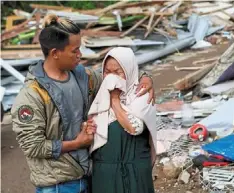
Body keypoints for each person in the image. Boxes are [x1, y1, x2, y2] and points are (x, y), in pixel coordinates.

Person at [11, 14, 155, 193]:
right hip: (58, 185)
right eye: (75, 50)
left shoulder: (83, 77)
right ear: (55, 53)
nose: (80, 55)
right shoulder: (32, 95)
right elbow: (33, 146)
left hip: (87, 178)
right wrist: (76, 143)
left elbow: (118, 76)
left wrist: (145, 78)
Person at [88, 47, 157, 193]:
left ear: (128, 71)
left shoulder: (141, 95)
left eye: (118, 72)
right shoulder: (99, 96)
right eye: (107, 72)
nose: (112, 78)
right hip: (104, 174)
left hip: (134, 173)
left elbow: (135, 128)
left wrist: (114, 100)